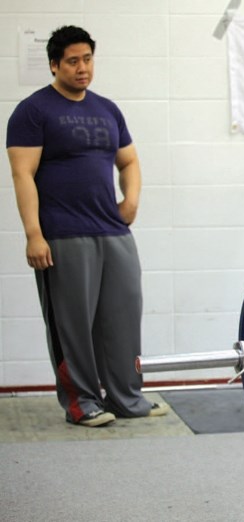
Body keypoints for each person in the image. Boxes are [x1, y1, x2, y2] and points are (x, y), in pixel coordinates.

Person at [6, 25, 168, 427]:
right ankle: (80, 402)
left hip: (112, 231)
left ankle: (126, 397)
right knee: (71, 325)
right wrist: (33, 234)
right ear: (54, 65)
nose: (82, 68)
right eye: (73, 61)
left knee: (123, 317)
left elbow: (128, 161)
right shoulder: (33, 111)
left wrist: (130, 201)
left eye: (88, 59)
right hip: (62, 234)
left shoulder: (107, 109)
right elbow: (22, 174)